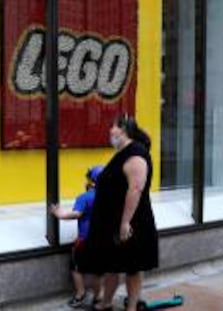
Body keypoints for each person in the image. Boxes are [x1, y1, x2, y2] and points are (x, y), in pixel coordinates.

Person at [84, 115, 159, 311]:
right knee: (112, 265)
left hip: (131, 224)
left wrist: (125, 223)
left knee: (132, 268)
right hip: (113, 224)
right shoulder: (123, 153)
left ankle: (131, 307)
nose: (110, 131)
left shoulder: (136, 154)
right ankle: (107, 302)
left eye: (113, 127)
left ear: (124, 130)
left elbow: (135, 189)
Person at [51, 165, 104, 308]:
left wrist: (60, 214)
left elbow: (77, 214)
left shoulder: (84, 197)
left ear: (92, 181)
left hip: (85, 240)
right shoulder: (109, 197)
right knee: (97, 271)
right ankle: (98, 297)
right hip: (102, 241)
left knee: (76, 267)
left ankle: (80, 295)